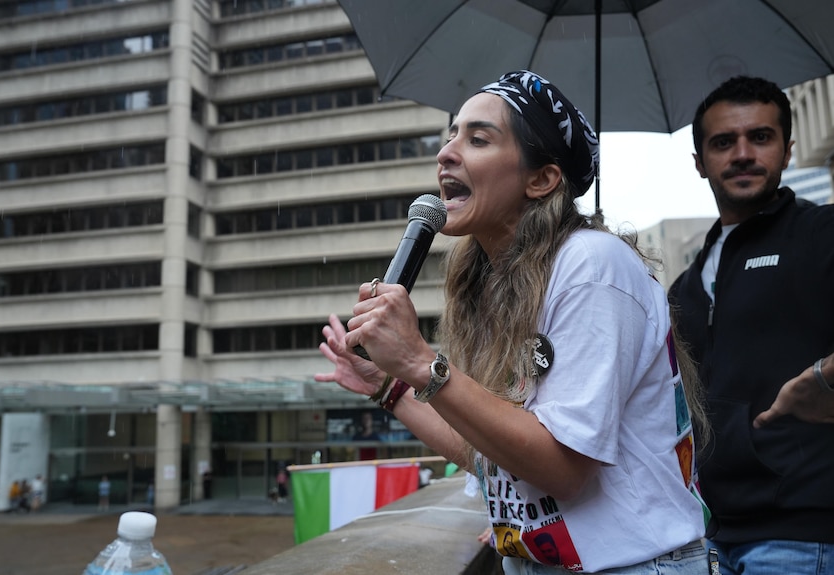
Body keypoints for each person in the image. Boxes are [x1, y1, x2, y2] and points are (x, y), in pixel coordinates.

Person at [317, 70, 709, 574]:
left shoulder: (591, 266)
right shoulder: (490, 281)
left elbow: (563, 471)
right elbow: (491, 451)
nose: (447, 153)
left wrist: (419, 361)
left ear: (541, 179)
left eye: (478, 138)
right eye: (452, 134)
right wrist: (390, 386)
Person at [669, 75, 834, 574]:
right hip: (709, 535)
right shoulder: (684, 286)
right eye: (723, 142)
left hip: (803, 533)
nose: (742, 154)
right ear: (700, 163)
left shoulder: (820, 233)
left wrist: (825, 376)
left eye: (760, 137)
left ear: (786, 151)